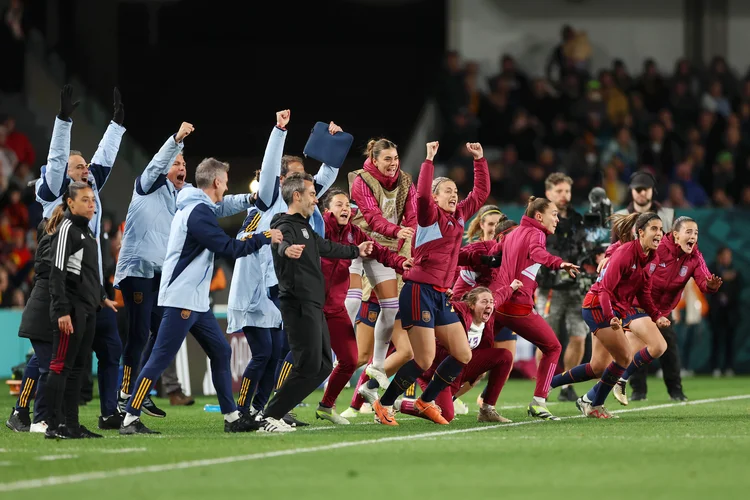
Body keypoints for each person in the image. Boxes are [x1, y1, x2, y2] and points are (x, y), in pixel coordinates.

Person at [120, 158, 277, 435]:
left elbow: (223, 208)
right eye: (225, 181)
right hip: (182, 297)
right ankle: (130, 417)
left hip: (194, 299)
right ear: (216, 182)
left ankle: (231, 418)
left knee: (221, 350)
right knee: (158, 358)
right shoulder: (198, 212)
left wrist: (249, 199)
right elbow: (228, 247)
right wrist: (263, 236)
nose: (227, 186)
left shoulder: (198, 206)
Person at [227, 111, 342, 427]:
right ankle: (244, 411)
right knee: (270, 354)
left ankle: (267, 411)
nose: (308, 180)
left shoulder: (297, 201)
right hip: (260, 289)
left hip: (284, 285)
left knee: (278, 354)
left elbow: (327, 175)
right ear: (282, 180)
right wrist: (279, 130)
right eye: (299, 175)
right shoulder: (268, 201)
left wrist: (333, 144)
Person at [372, 141, 490, 426]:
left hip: (440, 295)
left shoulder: (459, 216)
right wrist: (428, 160)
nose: (454, 195)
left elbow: (481, 193)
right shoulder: (428, 217)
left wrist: (480, 161)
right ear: (436, 197)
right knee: (424, 359)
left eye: (455, 191)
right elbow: (421, 195)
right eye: (448, 191)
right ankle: (383, 404)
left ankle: (425, 401)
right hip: (418, 292)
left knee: (463, 353)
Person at [34, 85, 126, 427]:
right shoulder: (52, 192)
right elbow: (57, 160)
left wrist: (116, 125)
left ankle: (105, 414)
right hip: (62, 289)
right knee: (52, 358)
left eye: (86, 165)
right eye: (79, 166)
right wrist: (63, 121)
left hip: (92, 289)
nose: (86, 168)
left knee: (106, 350)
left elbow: (104, 158)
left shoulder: (90, 190)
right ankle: (39, 416)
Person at [263, 172, 372, 432]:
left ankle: (274, 413)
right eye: (312, 194)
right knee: (307, 364)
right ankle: (271, 415)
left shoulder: (306, 228)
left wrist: (356, 250)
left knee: (322, 366)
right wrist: (285, 249)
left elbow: (326, 247)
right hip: (298, 303)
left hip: (314, 306)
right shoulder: (284, 224)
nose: (315, 200)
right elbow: (280, 242)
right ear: (297, 196)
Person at [114, 122, 196, 417]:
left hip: (160, 275)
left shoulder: (180, 196)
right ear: (164, 168)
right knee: (137, 334)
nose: (180, 166)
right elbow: (157, 163)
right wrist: (175, 140)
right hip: (137, 269)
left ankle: (140, 390)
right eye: (176, 162)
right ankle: (126, 394)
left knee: (164, 333)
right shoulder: (148, 183)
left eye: (184, 162)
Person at [316, 189, 411, 424]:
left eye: (348, 205)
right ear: (326, 210)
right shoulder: (318, 227)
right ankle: (273, 409)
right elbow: (323, 248)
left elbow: (379, 251)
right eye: (339, 205)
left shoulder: (353, 232)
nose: (346, 208)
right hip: (314, 305)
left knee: (351, 357)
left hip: (336, 307)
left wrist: (401, 263)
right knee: (304, 359)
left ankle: (327, 405)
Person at [610, 216, 723, 404]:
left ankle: (674, 391)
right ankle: (630, 388)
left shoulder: (695, 256)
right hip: (638, 305)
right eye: (689, 232)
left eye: (696, 233)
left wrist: (711, 285)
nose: (693, 236)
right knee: (644, 349)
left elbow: (704, 281)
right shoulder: (658, 244)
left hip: (662, 311)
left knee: (661, 348)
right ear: (676, 235)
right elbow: (628, 246)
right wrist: (608, 255)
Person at [487, 197, 580, 420]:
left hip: (499, 302)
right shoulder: (536, 234)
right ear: (539, 216)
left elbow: (493, 254)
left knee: (477, 353)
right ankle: (539, 402)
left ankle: (467, 402)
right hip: (517, 306)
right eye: (554, 214)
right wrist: (560, 263)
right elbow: (537, 252)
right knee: (553, 347)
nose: (557, 219)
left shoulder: (514, 232)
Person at [570, 212, 665, 418]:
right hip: (616, 308)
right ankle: (615, 385)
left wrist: (657, 314)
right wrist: (609, 255)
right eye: (655, 229)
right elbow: (619, 253)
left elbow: (645, 289)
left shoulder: (656, 253)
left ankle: (585, 398)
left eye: (661, 230)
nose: (660, 233)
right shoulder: (627, 250)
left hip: (625, 308)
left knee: (600, 365)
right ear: (640, 231)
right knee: (651, 348)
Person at [44, 182, 118, 439]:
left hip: (87, 310)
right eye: (85, 200)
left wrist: (101, 296)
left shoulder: (86, 232)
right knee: (60, 367)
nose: (91, 204)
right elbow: (57, 274)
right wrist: (63, 311)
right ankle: (53, 426)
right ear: (70, 202)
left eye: (92, 200)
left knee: (76, 369)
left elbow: (86, 271)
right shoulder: (67, 229)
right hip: (71, 311)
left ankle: (71, 425)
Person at [347, 137, 417, 388]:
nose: (393, 164)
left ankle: (375, 370)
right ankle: (335, 349)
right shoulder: (361, 181)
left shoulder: (406, 181)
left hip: (389, 254)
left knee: (393, 312)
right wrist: (397, 232)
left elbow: (413, 218)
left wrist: (402, 244)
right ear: (374, 160)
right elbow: (372, 218)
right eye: (387, 159)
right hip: (361, 247)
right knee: (355, 348)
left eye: (396, 158)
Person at [397, 287, 513, 423]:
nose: (489, 305)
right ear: (471, 304)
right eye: (484, 301)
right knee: (446, 415)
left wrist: (512, 287)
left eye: (491, 302)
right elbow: (441, 309)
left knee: (505, 356)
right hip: (438, 371)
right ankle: (400, 404)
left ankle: (487, 409)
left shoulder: (486, 317)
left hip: (460, 368)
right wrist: (442, 298)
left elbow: (500, 296)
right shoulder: (459, 312)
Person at [614, 169, 682, 401]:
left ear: (653, 191)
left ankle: (676, 390)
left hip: (660, 290)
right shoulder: (621, 215)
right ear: (631, 191)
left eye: (646, 188)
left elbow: (678, 254)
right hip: (633, 288)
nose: (642, 193)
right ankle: (637, 390)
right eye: (637, 189)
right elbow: (613, 250)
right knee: (636, 342)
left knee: (667, 342)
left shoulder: (667, 215)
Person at [535, 173, 588, 402]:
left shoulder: (580, 220)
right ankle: (543, 385)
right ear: (548, 194)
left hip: (576, 288)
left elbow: (588, 250)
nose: (564, 195)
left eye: (567, 191)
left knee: (578, 336)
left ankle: (567, 386)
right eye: (559, 191)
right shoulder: (537, 220)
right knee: (547, 339)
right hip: (550, 289)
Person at [455, 218, 519, 407]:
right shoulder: (480, 248)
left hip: (500, 310)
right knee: (466, 363)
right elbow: (453, 258)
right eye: (490, 224)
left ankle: (481, 402)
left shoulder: (518, 252)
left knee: (504, 362)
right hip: (476, 313)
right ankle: (441, 396)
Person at [6, 218, 56, 433]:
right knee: (46, 366)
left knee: (39, 361)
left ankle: (22, 412)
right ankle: (36, 416)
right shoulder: (50, 243)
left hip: (48, 313)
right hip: (41, 314)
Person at [709, 247, 740, 377]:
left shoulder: (735, 270)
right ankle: (715, 367)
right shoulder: (712, 268)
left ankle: (729, 367)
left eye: (729, 256)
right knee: (716, 340)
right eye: (725, 255)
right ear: (719, 257)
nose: (727, 258)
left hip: (731, 312)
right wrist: (722, 277)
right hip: (716, 312)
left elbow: (739, 288)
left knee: (730, 341)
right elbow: (706, 285)